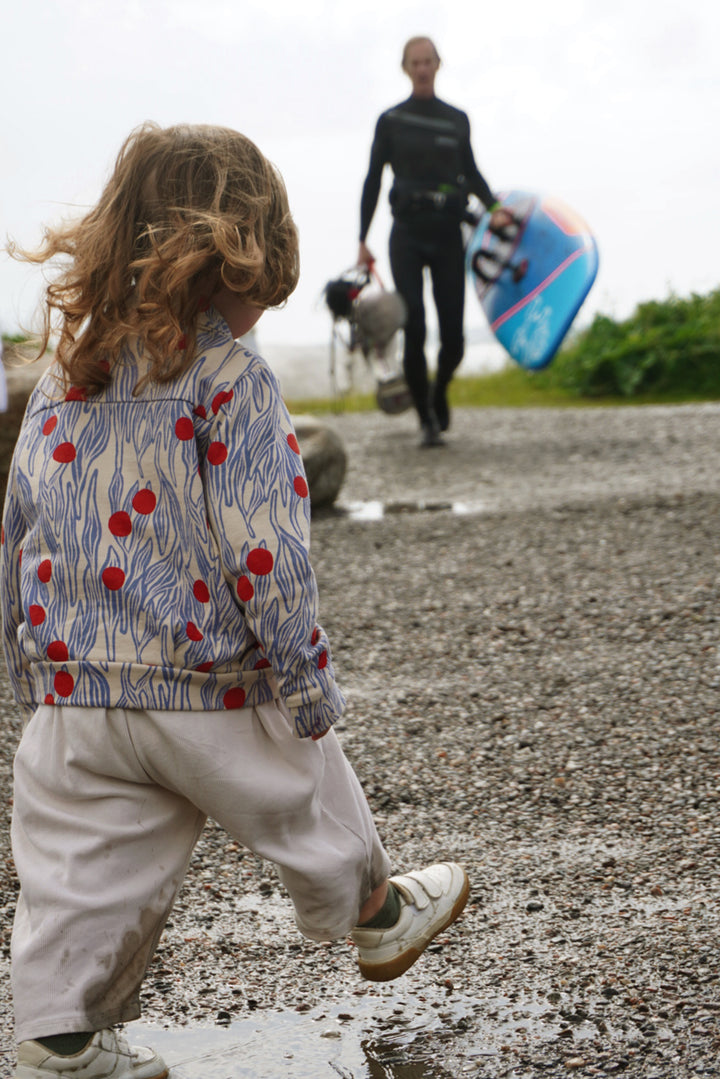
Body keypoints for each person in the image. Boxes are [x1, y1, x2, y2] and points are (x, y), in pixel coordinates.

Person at [1, 123, 470, 1079]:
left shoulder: (61, 380)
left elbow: (20, 527)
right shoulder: (232, 379)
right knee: (304, 790)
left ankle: (58, 1037)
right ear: (234, 256)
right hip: (206, 678)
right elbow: (266, 551)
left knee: (77, 872)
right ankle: (377, 914)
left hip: (80, 688)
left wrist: (29, 669)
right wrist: (303, 680)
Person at [358, 36, 513, 446]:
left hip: (447, 236)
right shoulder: (391, 121)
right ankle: (426, 417)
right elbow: (373, 181)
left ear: (438, 65)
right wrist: (361, 239)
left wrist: (495, 207)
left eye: (428, 61)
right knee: (415, 328)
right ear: (406, 68)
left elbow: (472, 172)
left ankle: (439, 388)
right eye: (415, 62)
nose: (422, 68)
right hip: (406, 236)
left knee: (454, 338)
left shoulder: (456, 119)